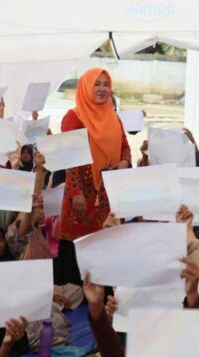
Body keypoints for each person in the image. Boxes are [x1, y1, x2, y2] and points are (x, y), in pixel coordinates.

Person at [57, 67, 132, 285]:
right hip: (82, 196)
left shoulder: (114, 117)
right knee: (81, 246)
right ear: (86, 87)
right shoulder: (74, 117)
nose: (102, 89)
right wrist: (76, 192)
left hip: (110, 194)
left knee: (109, 243)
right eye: (97, 84)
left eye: (106, 85)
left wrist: (124, 161)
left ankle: (106, 296)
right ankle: (77, 294)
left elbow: (125, 146)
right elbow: (68, 158)